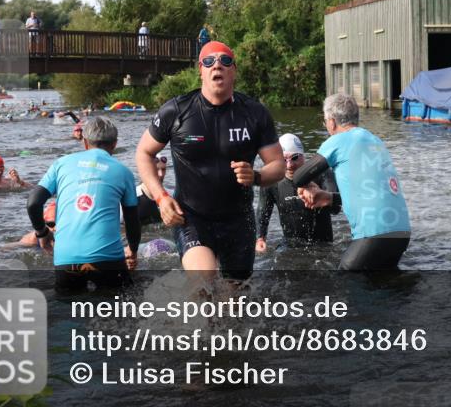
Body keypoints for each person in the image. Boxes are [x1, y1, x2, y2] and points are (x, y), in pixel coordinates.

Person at [135, 40, 285, 280]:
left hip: (239, 220)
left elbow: (278, 165)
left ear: (234, 70)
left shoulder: (255, 113)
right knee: (203, 283)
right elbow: (143, 152)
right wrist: (162, 197)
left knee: (233, 304)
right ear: (201, 70)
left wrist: (256, 176)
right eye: (209, 61)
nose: (217, 66)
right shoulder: (176, 111)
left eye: (225, 61)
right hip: (192, 216)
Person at [296, 93, 411, 270]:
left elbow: (299, 176)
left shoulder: (338, 140)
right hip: (401, 232)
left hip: (374, 233)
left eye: (325, 121)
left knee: (347, 282)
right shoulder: (375, 140)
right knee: (383, 286)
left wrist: (309, 186)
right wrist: (329, 197)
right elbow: (369, 192)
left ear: (332, 122)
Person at [27, 116, 140, 292]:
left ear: (85, 142)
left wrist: (42, 233)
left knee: (68, 311)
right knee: (123, 309)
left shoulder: (61, 164)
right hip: (107, 258)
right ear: (115, 144)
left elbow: (33, 203)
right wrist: (133, 250)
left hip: (66, 258)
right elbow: (132, 220)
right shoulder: (123, 172)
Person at [255, 133, 340, 253]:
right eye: (284, 159)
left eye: (295, 157)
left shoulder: (322, 173)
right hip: (290, 246)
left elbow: (336, 209)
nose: (289, 165)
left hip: (323, 246)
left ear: (303, 155)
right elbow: (263, 213)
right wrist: (260, 239)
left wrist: (321, 194)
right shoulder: (272, 182)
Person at [135, 154, 170, 225]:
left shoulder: (169, 197)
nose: (161, 174)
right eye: (156, 169)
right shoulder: (131, 198)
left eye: (163, 169)